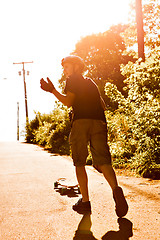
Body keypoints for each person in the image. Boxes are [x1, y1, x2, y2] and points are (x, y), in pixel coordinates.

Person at [40, 55, 128, 217]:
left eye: (67, 66)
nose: (64, 70)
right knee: (103, 161)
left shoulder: (72, 80)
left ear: (76, 67)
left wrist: (52, 90)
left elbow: (68, 102)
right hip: (99, 122)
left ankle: (85, 202)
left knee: (79, 162)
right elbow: (102, 105)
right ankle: (116, 190)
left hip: (81, 123)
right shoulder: (91, 83)